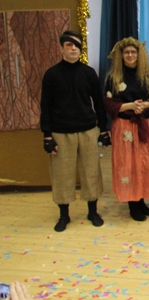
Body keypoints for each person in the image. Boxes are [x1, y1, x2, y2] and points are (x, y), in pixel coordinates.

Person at [40, 30, 109, 232]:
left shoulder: (88, 73)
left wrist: (103, 129)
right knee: (62, 174)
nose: (73, 49)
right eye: (69, 45)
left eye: (77, 46)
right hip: (61, 132)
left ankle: (92, 211)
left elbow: (98, 102)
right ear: (61, 48)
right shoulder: (51, 74)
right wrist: (47, 135)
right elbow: (45, 106)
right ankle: (64, 215)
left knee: (91, 172)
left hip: (88, 130)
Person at [103, 37, 149, 221]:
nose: (130, 55)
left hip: (146, 123)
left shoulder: (148, 73)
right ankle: (133, 204)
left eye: (133, 52)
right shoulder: (113, 76)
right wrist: (129, 106)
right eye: (126, 52)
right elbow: (108, 103)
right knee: (128, 164)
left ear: (138, 54)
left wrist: (145, 105)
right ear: (121, 55)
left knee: (144, 162)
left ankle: (141, 200)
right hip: (125, 126)